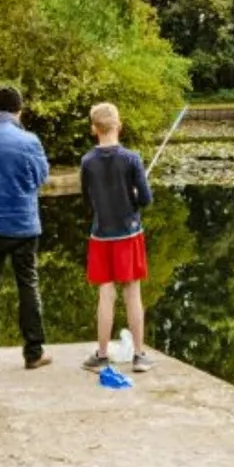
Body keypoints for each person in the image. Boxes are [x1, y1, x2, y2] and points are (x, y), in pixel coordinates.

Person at [0, 86, 53, 370]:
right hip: (22, 225)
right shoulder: (29, 141)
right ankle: (33, 352)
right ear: (18, 111)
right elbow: (41, 177)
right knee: (27, 284)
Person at [80, 102, 155, 373]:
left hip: (101, 236)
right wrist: (134, 195)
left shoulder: (87, 162)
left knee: (105, 295)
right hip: (129, 234)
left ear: (94, 129)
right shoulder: (132, 159)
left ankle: (101, 355)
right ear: (119, 126)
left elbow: (87, 203)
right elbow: (145, 199)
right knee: (132, 293)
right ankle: (139, 356)